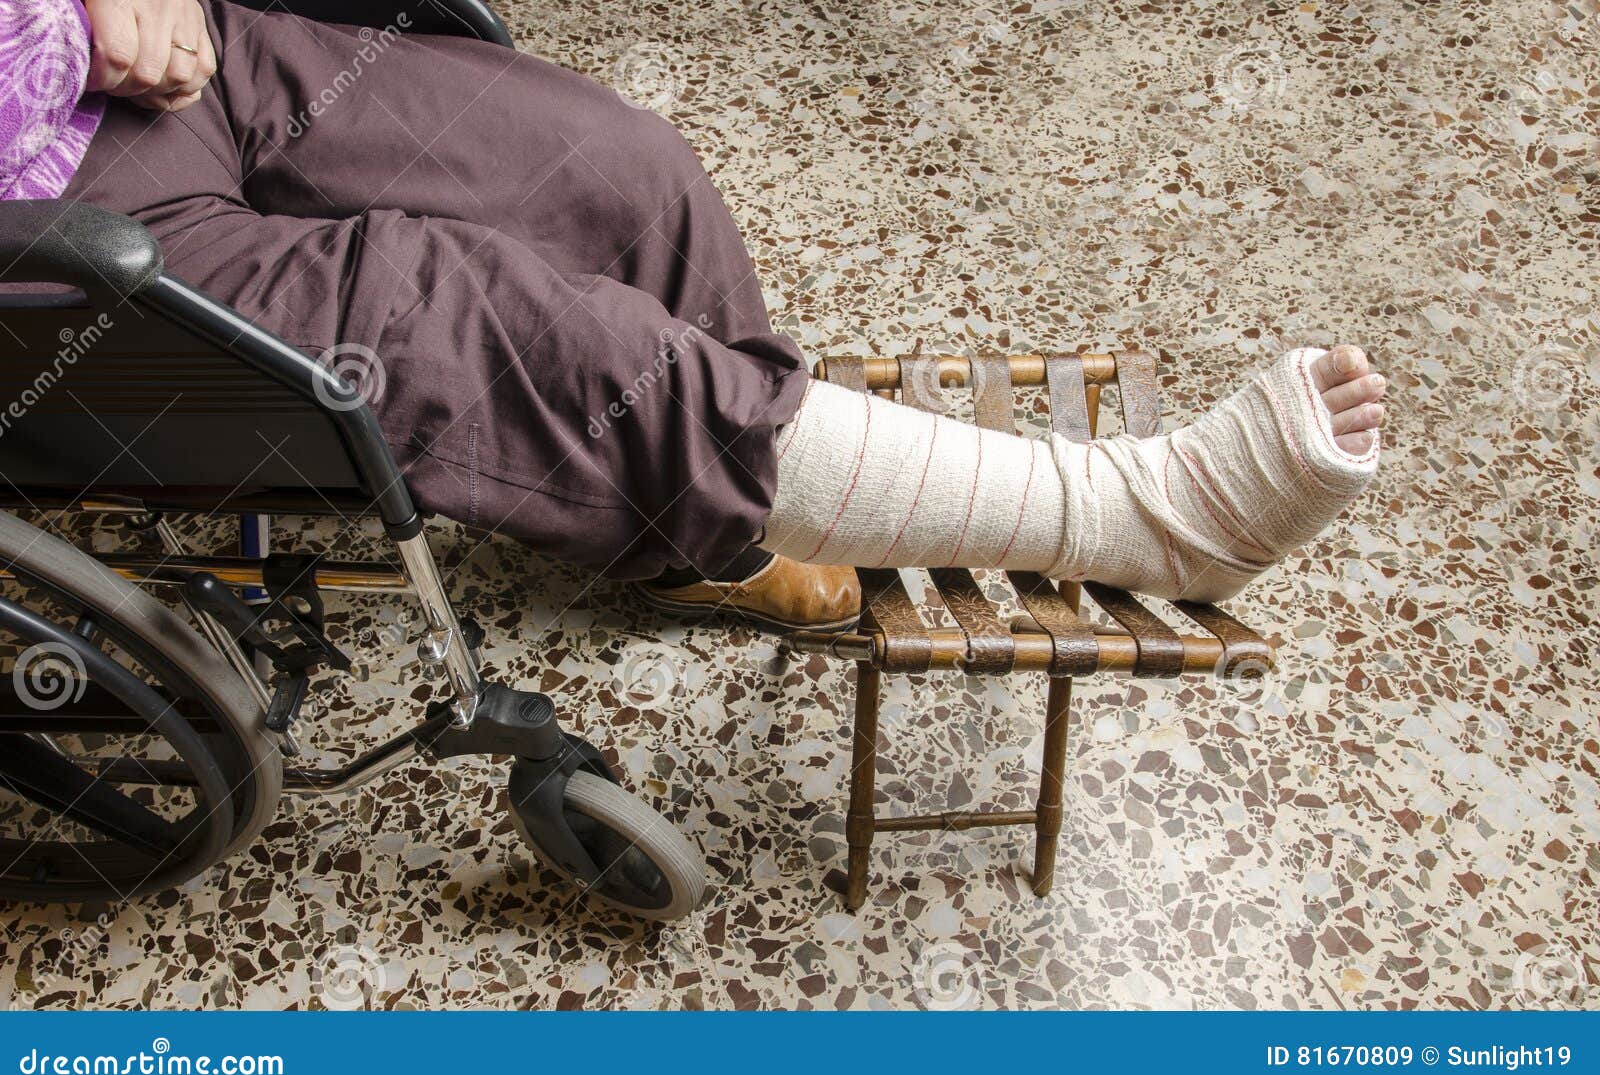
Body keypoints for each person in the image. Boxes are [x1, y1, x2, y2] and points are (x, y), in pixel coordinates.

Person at [0, 0, 1384, 630]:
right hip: (42, 236)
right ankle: (1156, 520)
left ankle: (691, 528)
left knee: (611, 172)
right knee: (456, 316)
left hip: (160, 46)